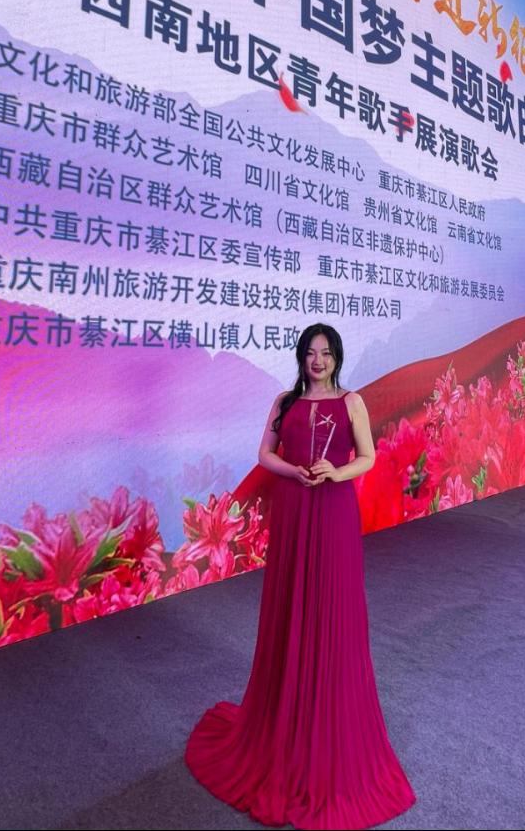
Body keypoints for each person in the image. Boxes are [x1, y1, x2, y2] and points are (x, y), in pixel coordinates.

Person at [185, 323, 416, 830]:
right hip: (293, 508)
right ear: (301, 357)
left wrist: (335, 472)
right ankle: (283, 718)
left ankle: (328, 724)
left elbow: (367, 457)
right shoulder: (284, 402)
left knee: (334, 610)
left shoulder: (352, 402)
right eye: (311, 353)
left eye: (326, 353)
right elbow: (264, 454)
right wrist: (293, 472)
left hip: (333, 510)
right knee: (290, 606)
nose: (318, 361)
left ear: (336, 358)